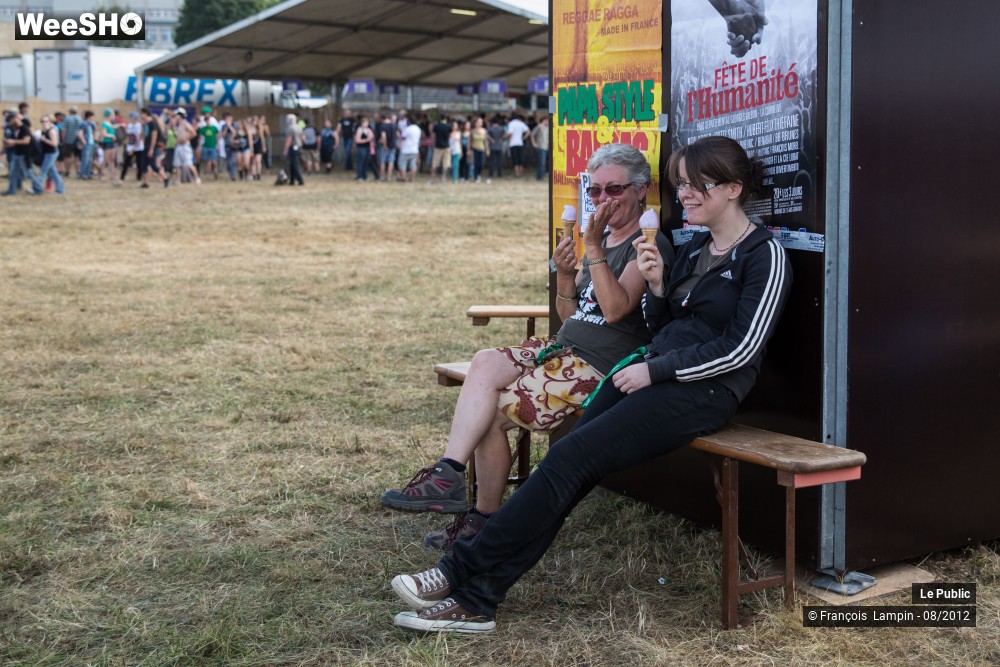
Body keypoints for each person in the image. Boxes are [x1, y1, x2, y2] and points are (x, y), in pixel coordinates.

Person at [388, 135, 792, 634]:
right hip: (649, 372)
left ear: (732, 188)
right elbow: (665, 324)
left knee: (567, 460)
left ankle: (459, 573)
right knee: (567, 465)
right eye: (681, 183)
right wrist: (662, 288)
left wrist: (655, 370)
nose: (684, 194)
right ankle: (478, 600)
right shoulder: (698, 249)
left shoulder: (763, 253)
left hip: (700, 391)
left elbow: (742, 348)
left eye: (695, 185)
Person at [381, 143, 674, 552]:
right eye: (595, 191)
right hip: (563, 346)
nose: (603, 200)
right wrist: (568, 278)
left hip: (598, 365)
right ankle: (448, 473)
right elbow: (570, 312)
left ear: (641, 190)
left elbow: (614, 310)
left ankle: (483, 522)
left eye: (614, 190)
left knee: (497, 413)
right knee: (484, 362)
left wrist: (591, 249)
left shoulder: (647, 241)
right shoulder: (603, 237)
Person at [36, 115, 65, 194]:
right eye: (42, 121)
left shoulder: (52, 130)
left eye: (45, 121)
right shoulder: (45, 130)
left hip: (51, 153)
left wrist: (43, 139)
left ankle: (37, 187)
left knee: (43, 171)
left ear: (50, 121)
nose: (43, 123)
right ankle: (60, 189)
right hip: (47, 153)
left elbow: (54, 144)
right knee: (53, 173)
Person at [505, 114, 530, 178]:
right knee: (520, 159)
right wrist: (523, 138)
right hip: (520, 143)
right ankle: (521, 173)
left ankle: (517, 173)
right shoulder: (521, 123)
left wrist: (509, 143)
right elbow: (528, 131)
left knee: (515, 159)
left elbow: (510, 134)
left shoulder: (511, 124)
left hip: (513, 143)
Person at [283, 113, 305, 186]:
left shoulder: (290, 128)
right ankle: (292, 180)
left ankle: (300, 180)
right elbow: (303, 138)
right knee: (292, 164)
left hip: (293, 148)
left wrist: (285, 150)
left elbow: (289, 140)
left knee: (295, 165)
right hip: (298, 147)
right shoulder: (299, 128)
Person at [531, 116, 550, 181]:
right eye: (547, 120)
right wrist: (534, 143)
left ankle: (541, 175)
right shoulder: (539, 126)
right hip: (541, 146)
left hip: (546, 146)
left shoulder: (547, 128)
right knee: (542, 162)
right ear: (544, 120)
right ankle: (539, 177)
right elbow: (532, 134)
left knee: (544, 162)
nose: (548, 122)